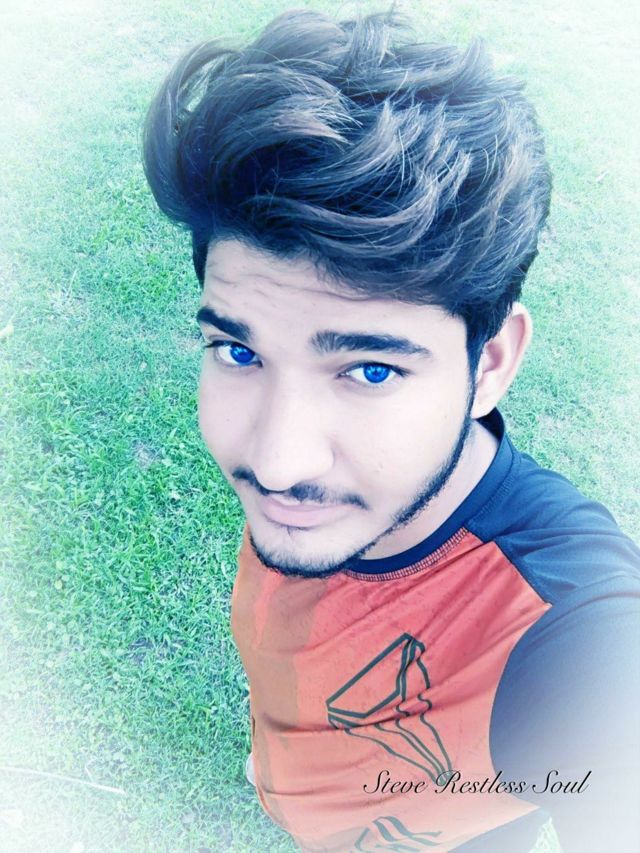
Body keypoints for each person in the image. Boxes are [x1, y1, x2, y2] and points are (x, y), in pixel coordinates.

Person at [142, 8, 640, 852]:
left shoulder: (576, 636)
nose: (277, 461)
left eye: (370, 370)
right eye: (238, 351)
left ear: (489, 363)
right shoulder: (337, 484)